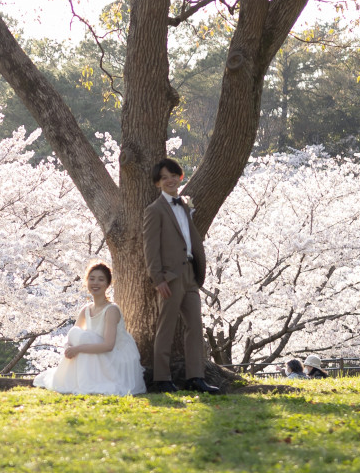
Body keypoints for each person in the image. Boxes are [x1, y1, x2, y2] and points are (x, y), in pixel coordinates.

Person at [143, 158, 221, 394]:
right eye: (163, 177)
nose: (169, 180)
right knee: (166, 327)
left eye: (172, 176)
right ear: (158, 183)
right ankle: (162, 378)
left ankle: (195, 377)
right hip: (170, 277)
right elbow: (150, 247)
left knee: (195, 327)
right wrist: (158, 278)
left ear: (180, 177)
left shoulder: (185, 206)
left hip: (190, 273)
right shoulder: (154, 210)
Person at [34, 260, 146, 397]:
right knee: (78, 334)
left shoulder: (111, 310)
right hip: (96, 351)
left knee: (86, 338)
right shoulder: (86, 310)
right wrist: (69, 346)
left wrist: (78, 349)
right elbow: (72, 335)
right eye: (92, 279)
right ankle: (76, 381)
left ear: (107, 284)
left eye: (100, 280)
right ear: (86, 282)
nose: (95, 283)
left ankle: (87, 383)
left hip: (116, 356)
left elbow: (109, 345)